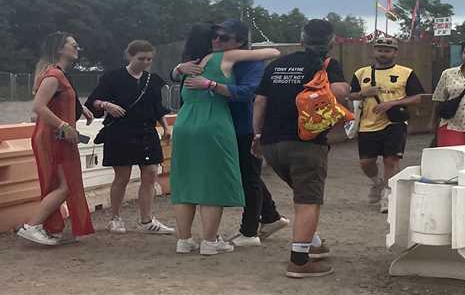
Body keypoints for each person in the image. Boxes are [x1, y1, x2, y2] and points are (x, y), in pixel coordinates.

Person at [171, 19, 288, 248]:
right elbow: (273, 52)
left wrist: (184, 72)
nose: (217, 40)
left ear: (239, 42)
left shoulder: (198, 64)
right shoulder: (210, 60)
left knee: (243, 177)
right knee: (220, 182)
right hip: (219, 124)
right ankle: (216, 238)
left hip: (212, 124)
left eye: (223, 38)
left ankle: (250, 228)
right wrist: (185, 73)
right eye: (214, 37)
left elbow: (249, 90)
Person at [252, 19, 350, 278]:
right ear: (331, 42)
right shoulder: (328, 65)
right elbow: (341, 92)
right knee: (308, 200)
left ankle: (314, 244)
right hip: (306, 143)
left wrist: (258, 134)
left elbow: (260, 102)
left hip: (272, 144)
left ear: (301, 39)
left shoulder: (276, 65)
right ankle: (299, 262)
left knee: (302, 191)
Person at [85, 40, 174, 235]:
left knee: (151, 172)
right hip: (120, 131)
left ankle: (147, 219)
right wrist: (107, 105)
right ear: (130, 56)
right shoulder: (112, 78)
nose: (145, 62)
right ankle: (115, 218)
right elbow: (93, 102)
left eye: (149, 59)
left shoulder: (153, 80)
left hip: (147, 130)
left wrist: (166, 128)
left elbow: (157, 107)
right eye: (141, 58)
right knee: (122, 176)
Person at [17, 31, 95, 245]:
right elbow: (38, 107)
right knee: (66, 184)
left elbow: (57, 102)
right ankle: (32, 225)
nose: (77, 48)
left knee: (59, 184)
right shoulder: (54, 75)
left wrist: (80, 110)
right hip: (54, 137)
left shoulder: (56, 74)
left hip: (57, 136)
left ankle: (45, 227)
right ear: (60, 49)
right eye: (73, 44)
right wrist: (63, 125)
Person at [349, 37, 424, 213]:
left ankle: (388, 197)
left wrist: (393, 103)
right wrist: (362, 93)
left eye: (387, 50)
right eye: (380, 50)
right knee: (366, 162)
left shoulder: (406, 73)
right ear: (374, 51)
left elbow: (418, 97)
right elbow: (350, 95)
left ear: (395, 53)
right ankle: (377, 183)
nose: (383, 54)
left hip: (394, 122)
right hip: (368, 124)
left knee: (391, 160)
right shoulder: (361, 73)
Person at [431, 34, 465, 147]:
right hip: (452, 125)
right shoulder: (448, 74)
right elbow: (438, 99)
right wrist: (432, 123)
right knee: (451, 160)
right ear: (462, 54)